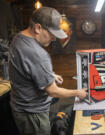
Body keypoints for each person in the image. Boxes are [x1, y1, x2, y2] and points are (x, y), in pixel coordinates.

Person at [8, 7, 88, 135]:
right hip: (33, 115)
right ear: (38, 28)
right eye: (52, 33)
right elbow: (53, 91)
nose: (54, 38)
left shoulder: (18, 38)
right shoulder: (38, 54)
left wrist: (50, 75)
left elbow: (26, 67)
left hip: (20, 108)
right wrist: (77, 92)